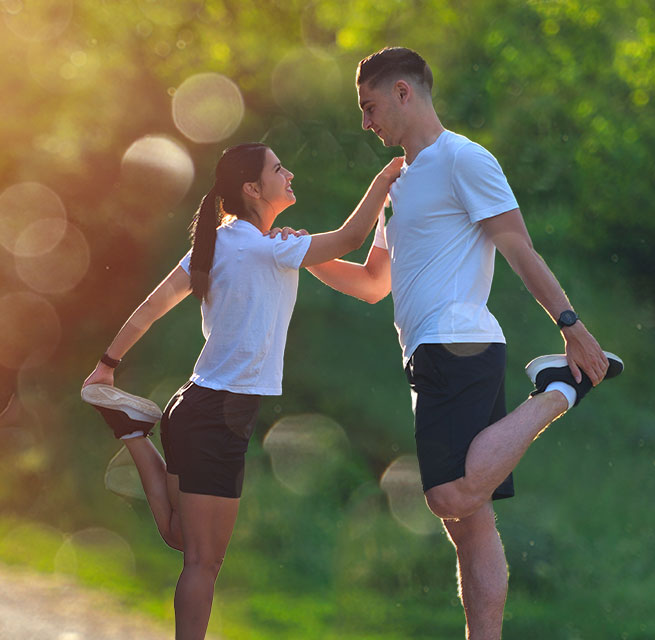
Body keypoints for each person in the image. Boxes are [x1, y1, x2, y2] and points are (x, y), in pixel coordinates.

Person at [305, 46, 623, 639]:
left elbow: (518, 246)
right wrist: (306, 258)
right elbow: (376, 283)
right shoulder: (399, 182)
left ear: (404, 92)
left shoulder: (464, 158)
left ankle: (560, 390)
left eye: (370, 107)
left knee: (450, 495)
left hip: (458, 341)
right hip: (425, 351)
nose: (366, 123)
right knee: (470, 525)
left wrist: (571, 324)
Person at [80, 143, 404, 639]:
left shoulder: (225, 243)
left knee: (182, 540)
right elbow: (350, 237)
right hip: (216, 415)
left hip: (195, 405)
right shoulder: (268, 248)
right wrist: (385, 182)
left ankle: (132, 432)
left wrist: (106, 366)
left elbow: (150, 305)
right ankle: (132, 434)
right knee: (202, 563)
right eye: (279, 169)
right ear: (253, 189)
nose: (289, 173)